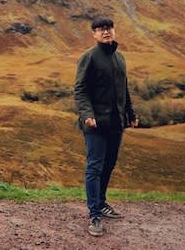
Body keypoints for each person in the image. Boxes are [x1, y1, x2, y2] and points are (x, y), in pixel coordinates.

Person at [73, 16, 138, 237]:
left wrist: (131, 113)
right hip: (95, 123)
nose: (106, 32)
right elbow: (80, 90)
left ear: (114, 30)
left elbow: (124, 89)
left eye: (108, 28)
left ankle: (101, 202)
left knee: (109, 165)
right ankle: (94, 215)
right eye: (100, 29)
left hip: (116, 122)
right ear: (94, 34)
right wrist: (87, 115)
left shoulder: (120, 58)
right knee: (94, 167)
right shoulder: (89, 58)